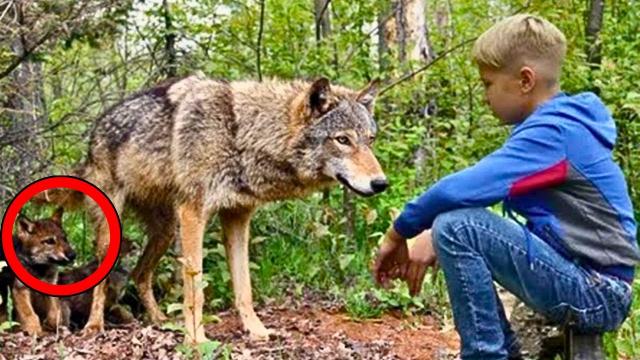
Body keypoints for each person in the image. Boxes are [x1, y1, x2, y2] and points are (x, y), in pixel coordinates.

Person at [373, 14, 639, 360]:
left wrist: (398, 234)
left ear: (525, 80)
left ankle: (487, 355)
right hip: (590, 282)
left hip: (598, 292)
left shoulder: (554, 134)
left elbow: (460, 189)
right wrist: (428, 235)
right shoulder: (558, 127)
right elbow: (490, 201)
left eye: (487, 84)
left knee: (458, 227)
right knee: (454, 225)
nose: (484, 95)